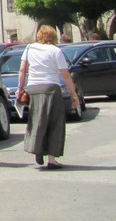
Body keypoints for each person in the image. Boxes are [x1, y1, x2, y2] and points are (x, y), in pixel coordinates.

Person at [17, 24, 81, 169]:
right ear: (53, 37)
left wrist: (20, 88)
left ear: (39, 35)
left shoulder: (29, 48)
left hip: (33, 88)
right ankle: (52, 159)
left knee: (37, 120)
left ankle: (37, 148)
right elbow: (65, 75)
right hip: (51, 88)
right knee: (55, 123)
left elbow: (22, 70)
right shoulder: (55, 51)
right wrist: (73, 94)